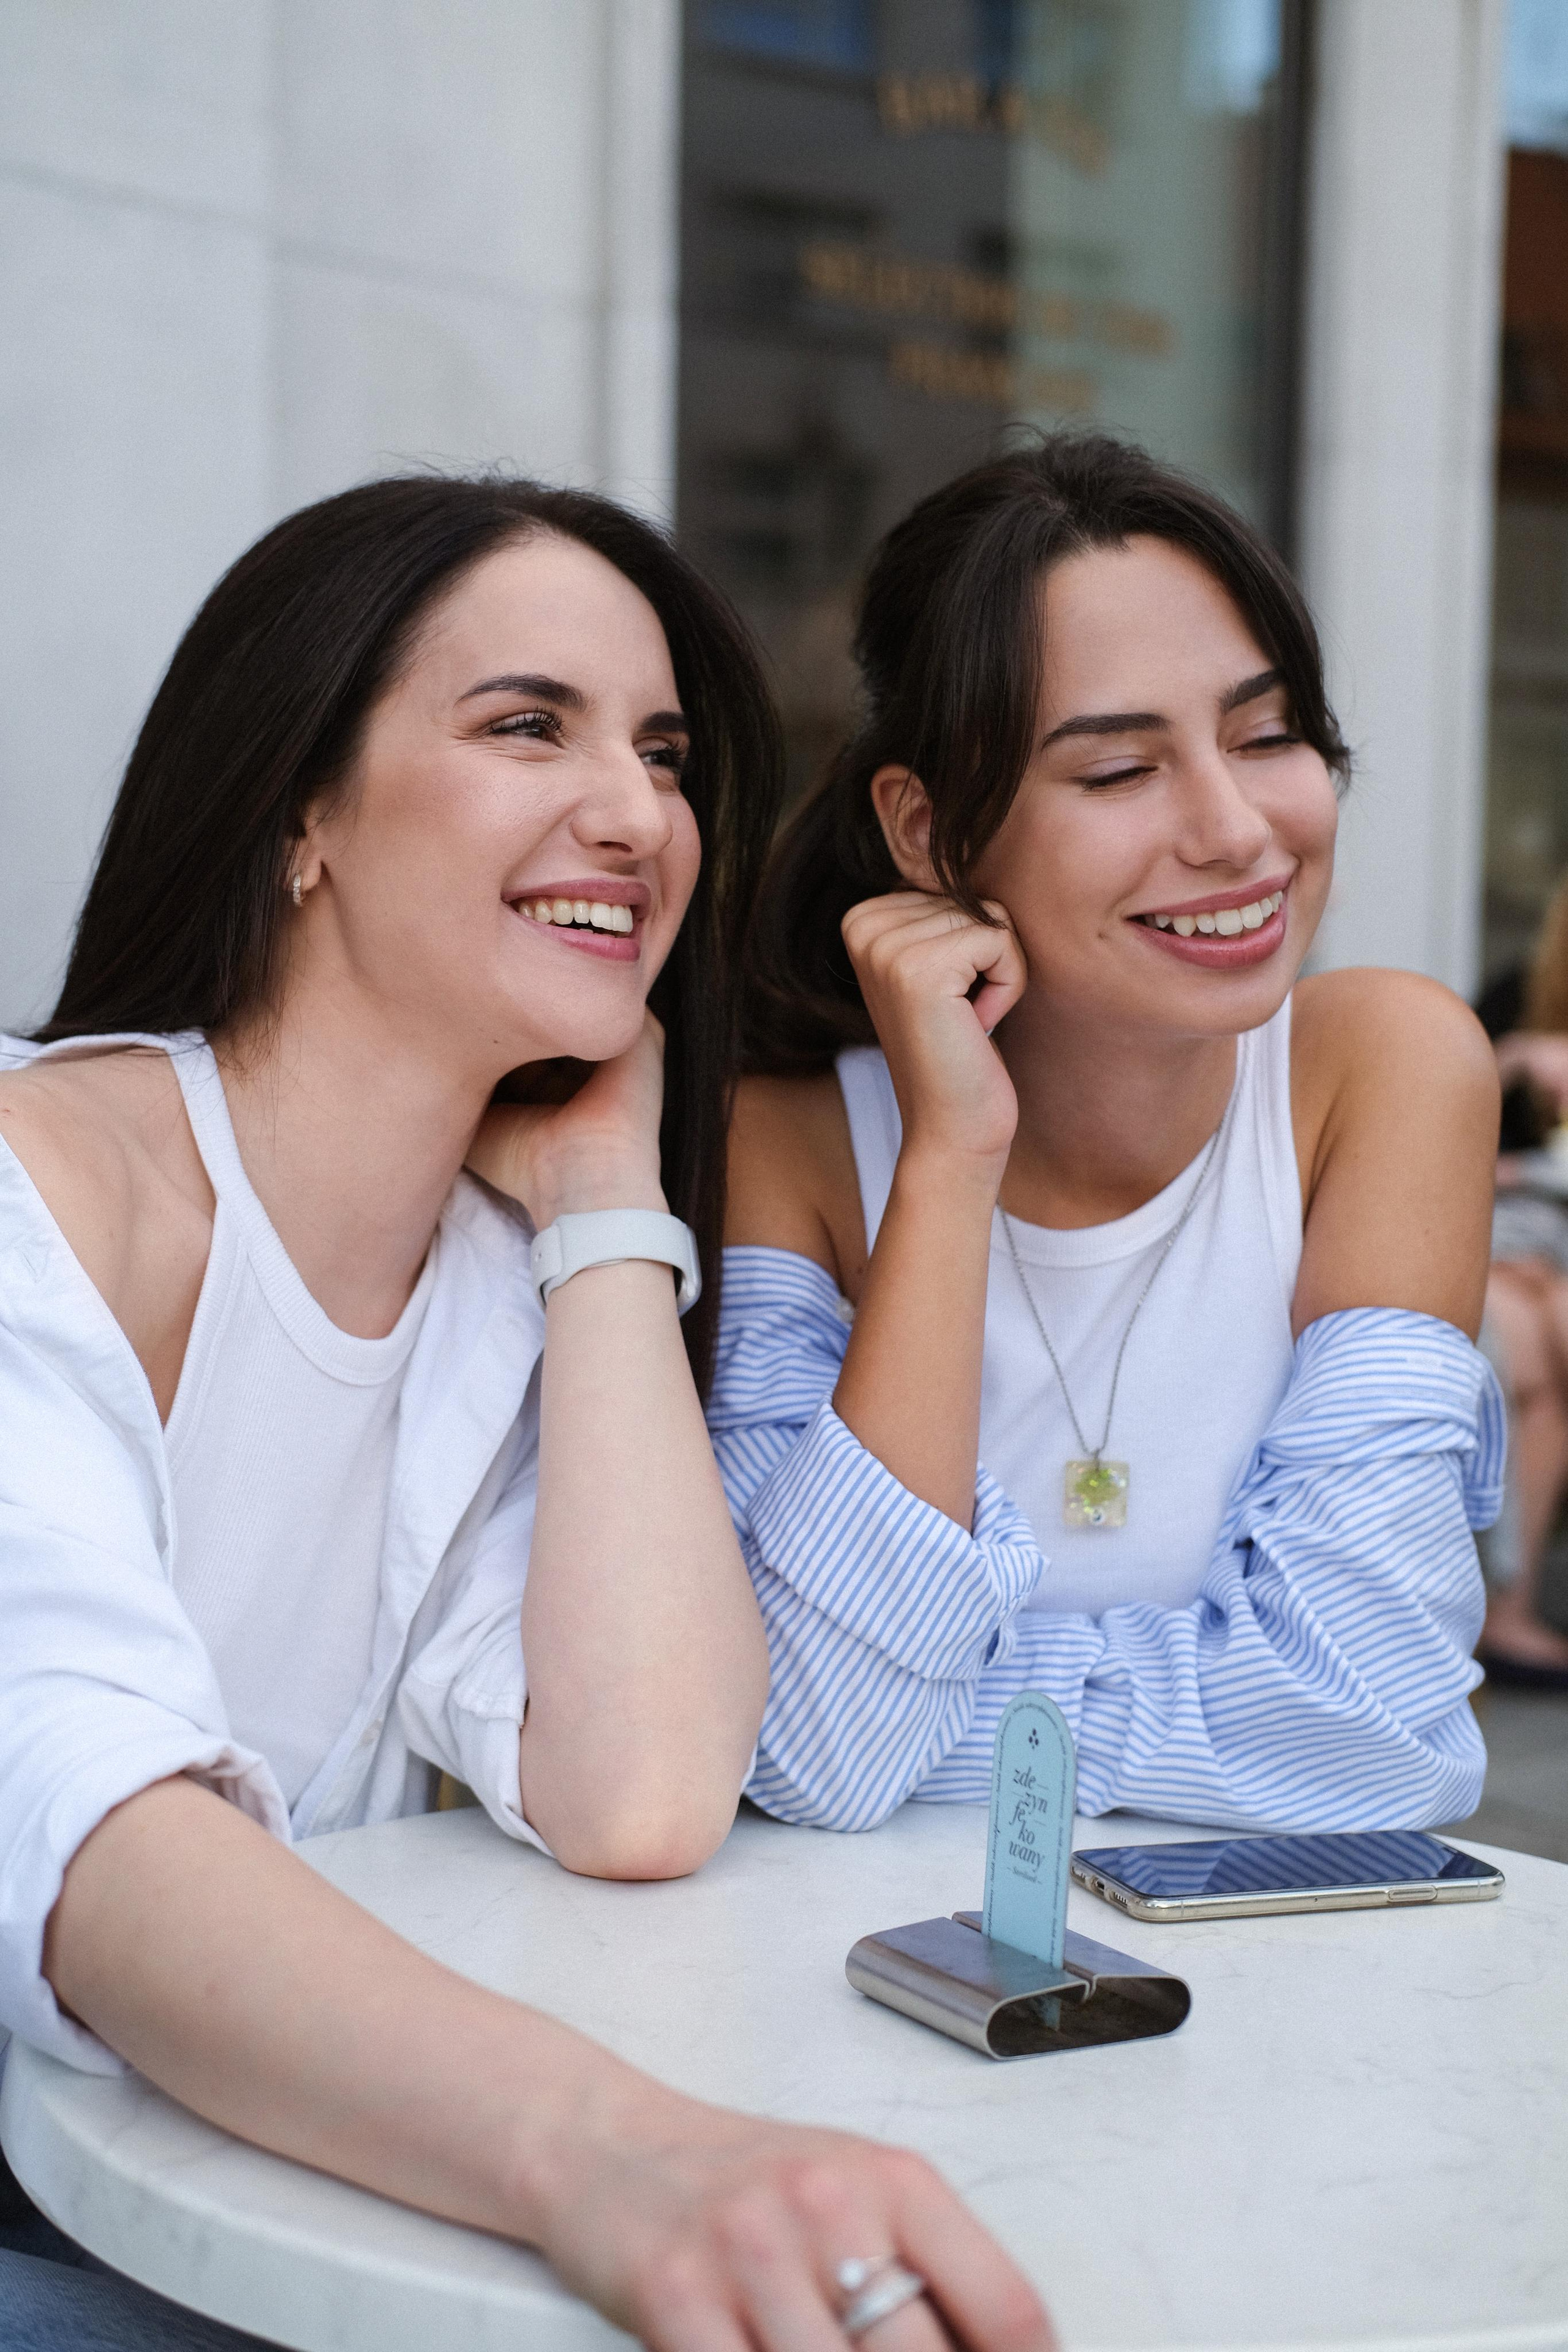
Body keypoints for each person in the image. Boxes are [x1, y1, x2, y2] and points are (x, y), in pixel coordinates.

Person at [0, 477, 1050, 2352]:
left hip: (267, 2205)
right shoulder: (41, 1188)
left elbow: (639, 1791)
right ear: (301, 807)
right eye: (524, 726)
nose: (638, 812)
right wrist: (621, 2164)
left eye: (663, 753)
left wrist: (601, 1210)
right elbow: (85, 1825)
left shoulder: (510, 1276)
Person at [713, 432, 1502, 1835]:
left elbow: (1367, 1732)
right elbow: (811, 1738)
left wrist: (940, 1705)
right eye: (1116, 771)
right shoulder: (793, 1135)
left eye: (1266, 738)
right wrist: (949, 1157)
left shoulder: (1377, 1071)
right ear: (926, 827)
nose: (1231, 830)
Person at [1475, 874, 1568, 1683]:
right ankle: (1503, 1611)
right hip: (1511, 1238)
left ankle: (1501, 1607)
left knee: (1555, 1325)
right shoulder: (1522, 998)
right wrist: (1510, 1062)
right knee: (1522, 1342)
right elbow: (1446, 1111)